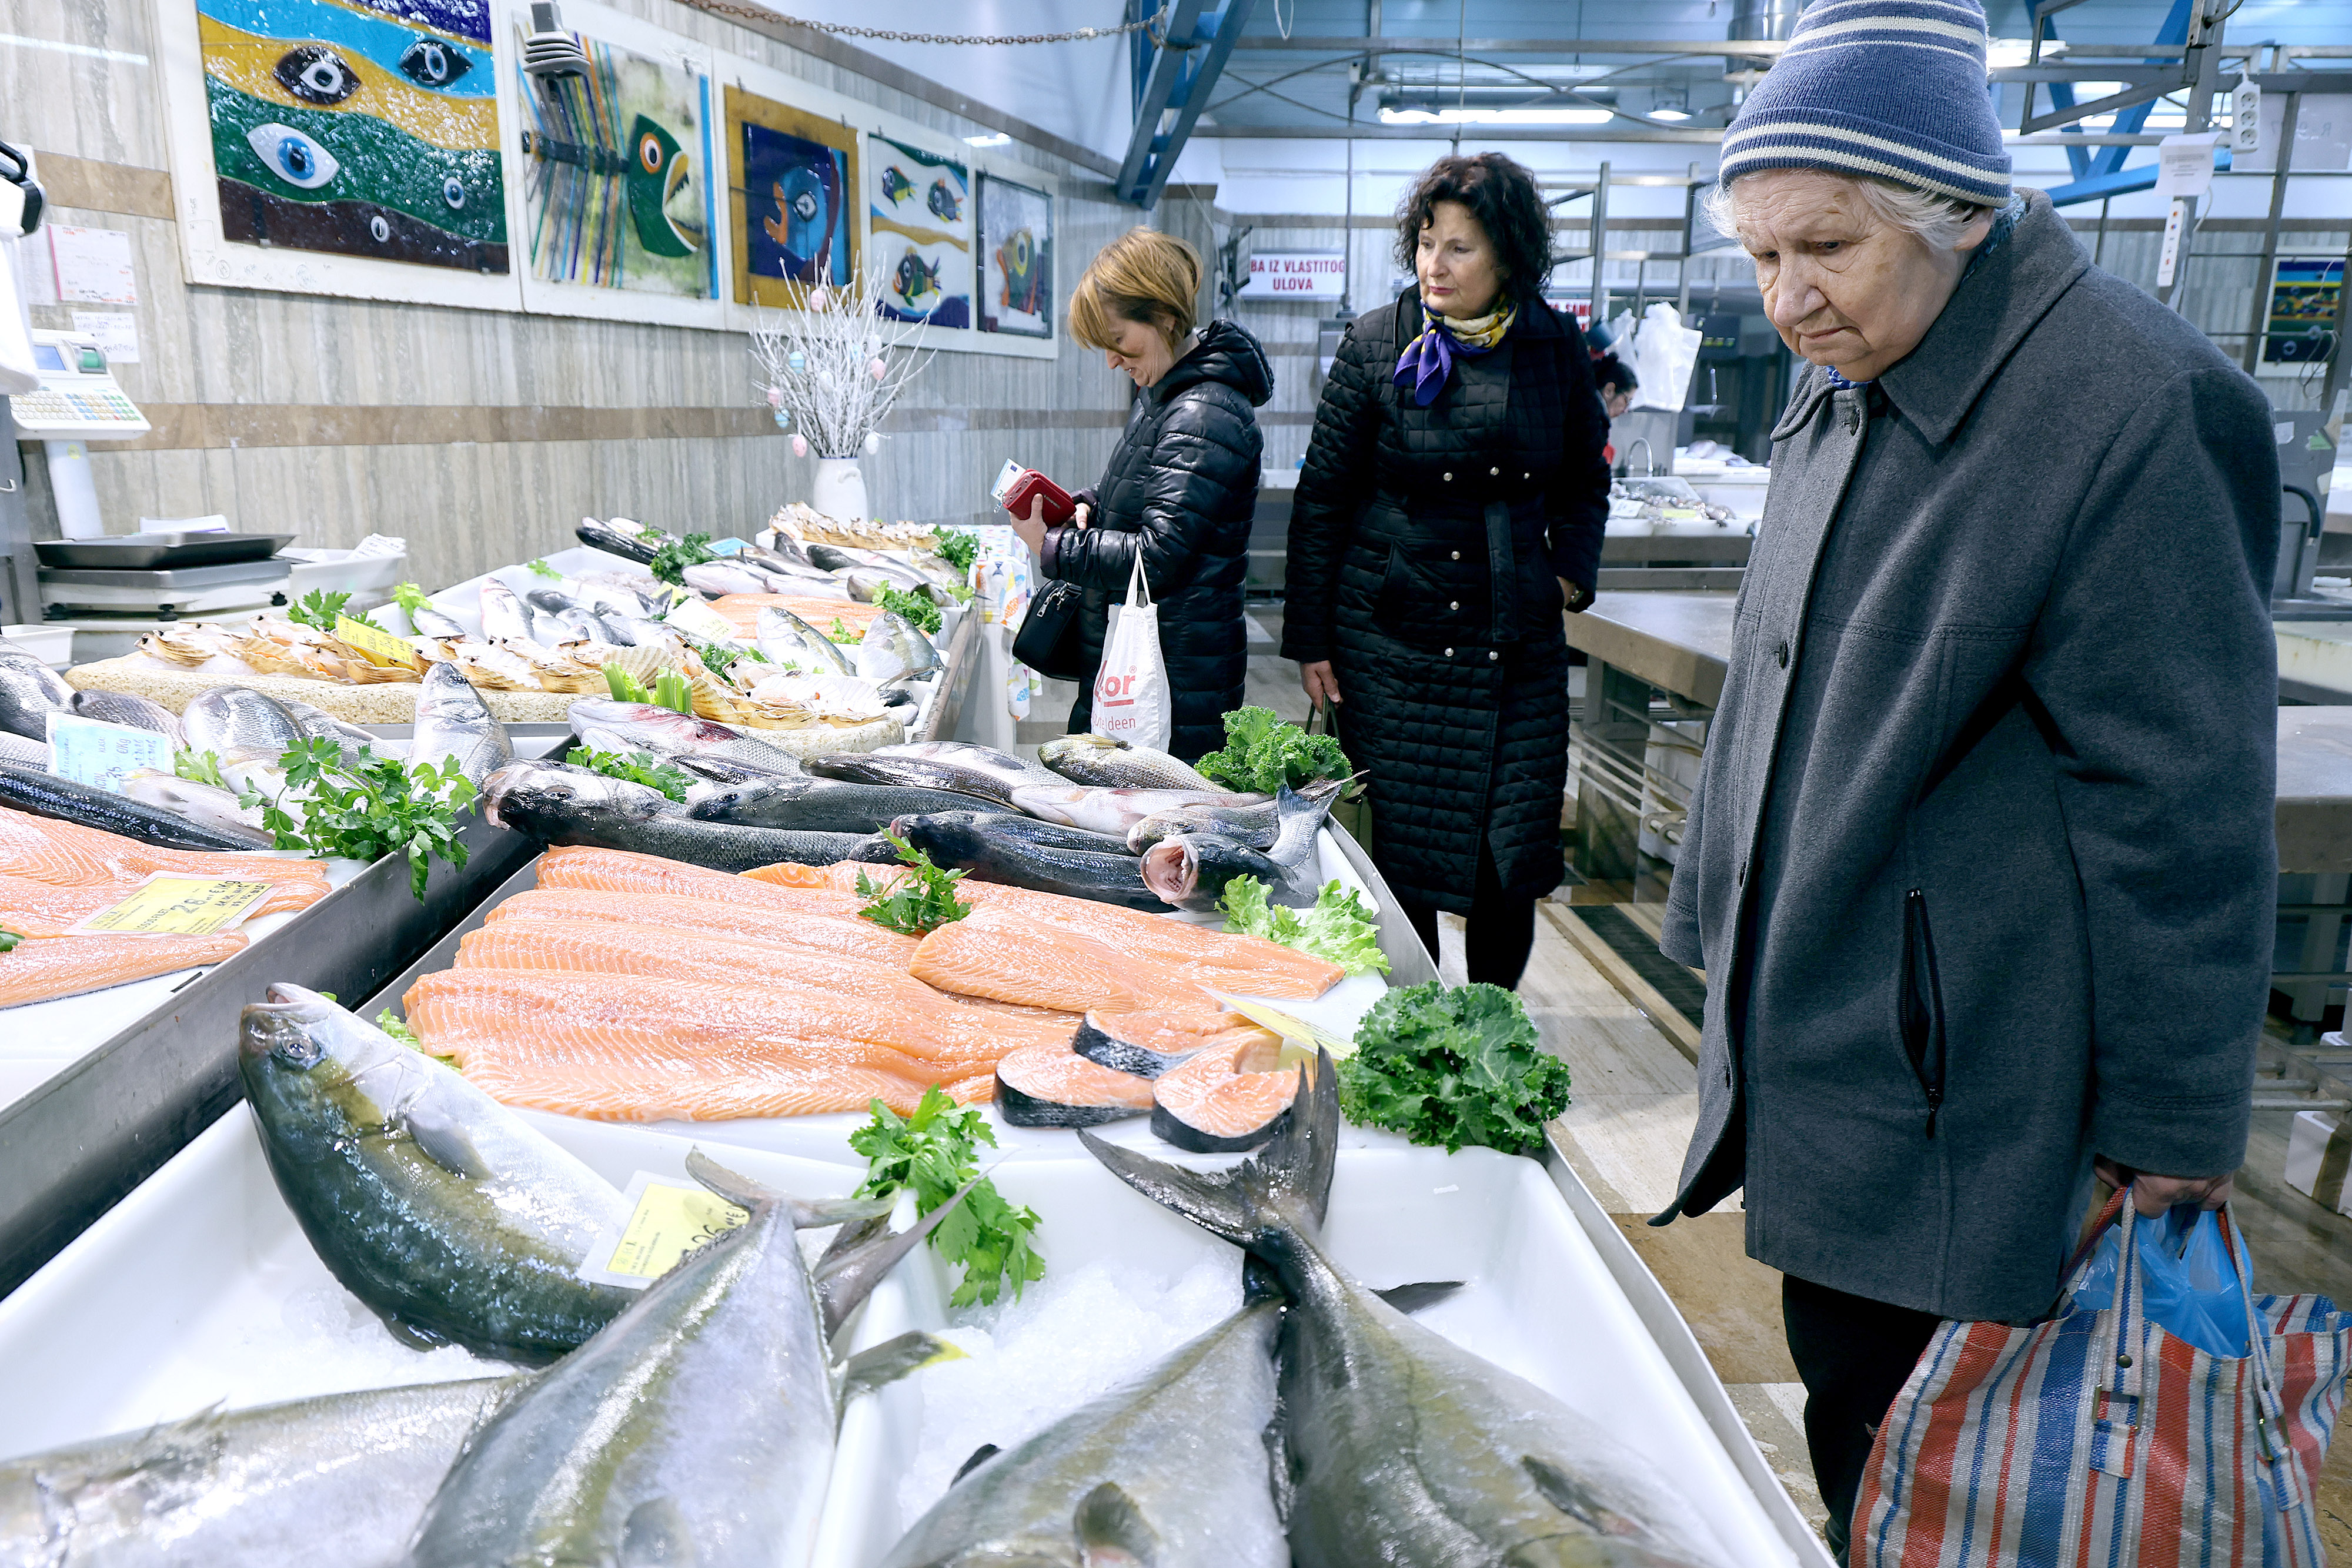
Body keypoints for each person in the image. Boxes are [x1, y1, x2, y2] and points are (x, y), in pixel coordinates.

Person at [1646, 2, 2277, 1562]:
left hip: (1977, 1082)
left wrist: (2171, 1117)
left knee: (1959, 1468)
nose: (1786, 297)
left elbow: (2178, 796)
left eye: (1825, 247)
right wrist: (1717, 926)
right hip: (1837, 1029)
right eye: (1760, 253)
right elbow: (1779, 668)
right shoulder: (1851, 361)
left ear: (1958, 213)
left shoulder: (2127, 403)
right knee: (1860, 1428)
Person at [1284, 152, 1609, 988]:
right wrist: (1312, 640)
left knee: (1512, 859)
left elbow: (1584, 479)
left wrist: (1566, 577)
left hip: (1517, 644)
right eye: (1428, 242)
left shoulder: (1553, 345)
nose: (1435, 263)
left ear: (1508, 256)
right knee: (1402, 856)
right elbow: (1322, 501)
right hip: (1393, 646)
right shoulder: (1376, 342)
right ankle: (1415, 1025)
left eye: (1460, 247)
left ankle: (1489, 1021)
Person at [1009, 226, 1271, 761]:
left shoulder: (1205, 412)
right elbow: (1143, 492)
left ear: (1166, 317)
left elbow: (1159, 555)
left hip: (1173, 678)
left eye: (1118, 340)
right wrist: (1089, 504)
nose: (1111, 360)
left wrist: (1052, 546)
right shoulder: (1163, 393)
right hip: (1141, 662)